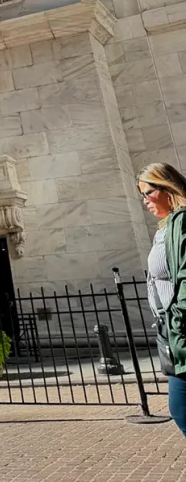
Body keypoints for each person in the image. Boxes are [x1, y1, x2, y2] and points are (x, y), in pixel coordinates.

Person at [139, 162, 186, 435]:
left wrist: (178, 322)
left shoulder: (181, 222)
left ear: (167, 187)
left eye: (148, 192)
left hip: (180, 331)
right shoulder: (166, 227)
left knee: (180, 409)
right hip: (171, 333)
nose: (145, 201)